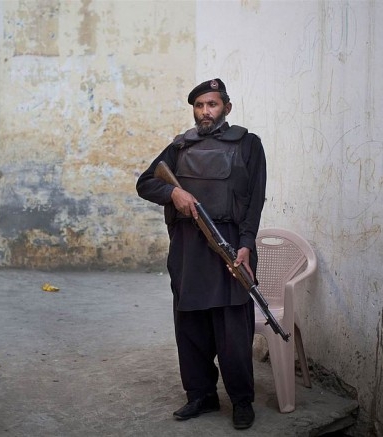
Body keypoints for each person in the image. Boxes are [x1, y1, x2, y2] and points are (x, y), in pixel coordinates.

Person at [136, 78, 266, 430]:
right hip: (188, 246)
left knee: (233, 331)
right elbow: (145, 183)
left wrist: (246, 244)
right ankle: (201, 395)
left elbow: (255, 200)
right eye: (199, 105)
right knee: (190, 325)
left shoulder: (249, 144)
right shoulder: (179, 147)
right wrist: (172, 194)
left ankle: (241, 400)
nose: (205, 111)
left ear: (226, 106)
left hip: (228, 243)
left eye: (212, 104)